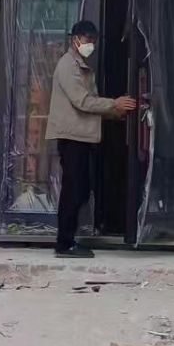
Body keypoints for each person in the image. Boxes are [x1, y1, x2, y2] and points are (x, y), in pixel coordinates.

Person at [45, 20, 137, 258]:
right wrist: (114, 104)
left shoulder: (82, 66)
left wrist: (115, 113)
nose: (91, 45)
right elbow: (83, 101)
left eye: (94, 41)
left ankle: (68, 240)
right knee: (73, 190)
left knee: (81, 189)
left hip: (82, 136)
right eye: (88, 40)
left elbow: (91, 103)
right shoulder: (68, 65)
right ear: (75, 39)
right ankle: (64, 243)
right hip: (71, 136)